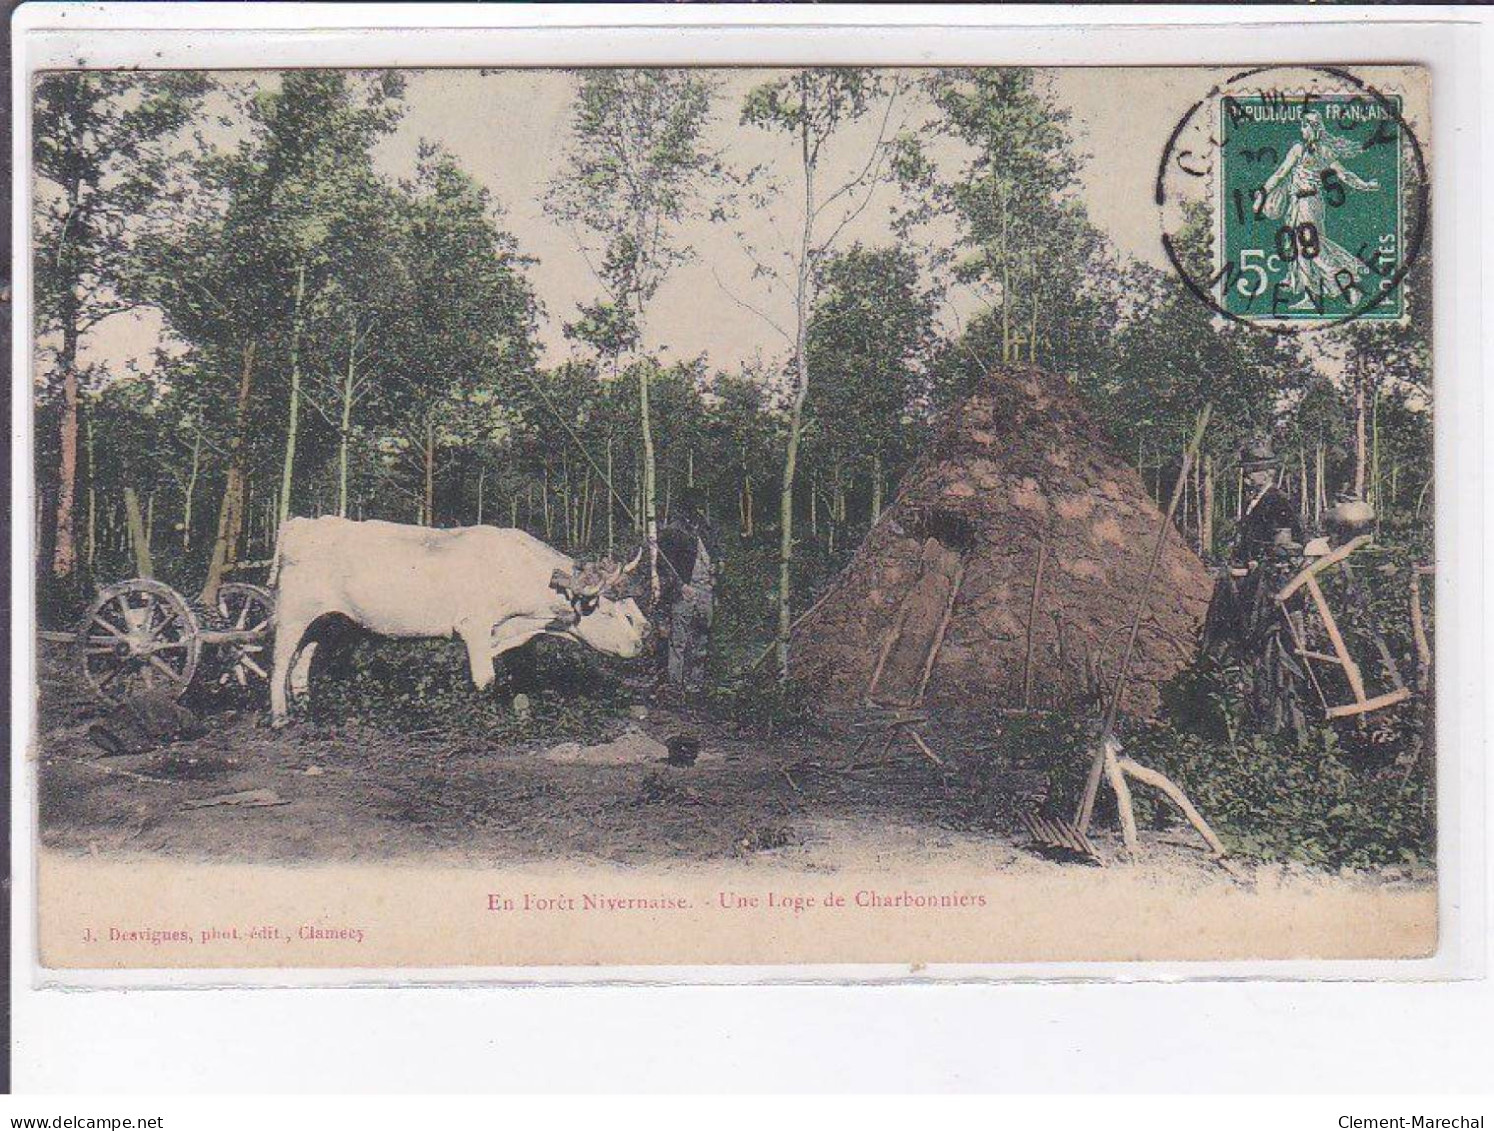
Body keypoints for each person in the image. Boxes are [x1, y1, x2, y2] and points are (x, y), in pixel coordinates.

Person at [1259, 110, 1381, 309]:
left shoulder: (1300, 149)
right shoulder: (1324, 151)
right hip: (1308, 204)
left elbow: (1281, 173)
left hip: (1306, 205)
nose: (1301, 129)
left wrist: (1263, 192)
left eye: (1304, 126)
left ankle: (1348, 285)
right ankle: (1311, 296)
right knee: (1302, 250)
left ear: (1311, 127)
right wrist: (1365, 185)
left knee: (1311, 248)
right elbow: (1345, 175)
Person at [654, 496, 715, 695]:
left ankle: (695, 683)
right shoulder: (673, 532)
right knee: (679, 641)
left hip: (706, 590)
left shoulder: (704, 531)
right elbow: (663, 565)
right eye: (695, 508)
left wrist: (717, 566)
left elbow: (715, 553)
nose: (699, 512)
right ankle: (675, 686)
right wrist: (680, 586)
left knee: (702, 639)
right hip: (686, 592)